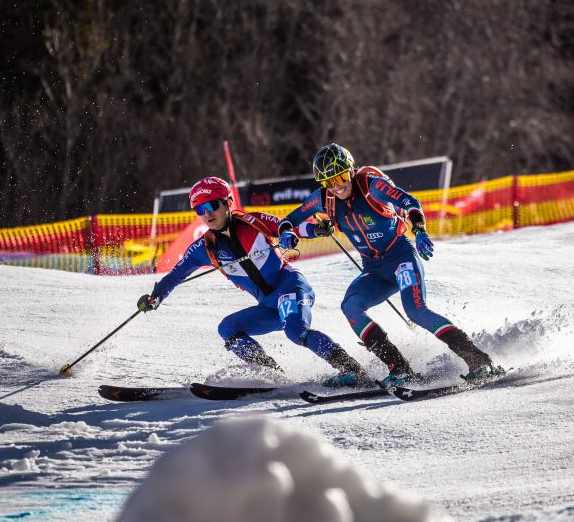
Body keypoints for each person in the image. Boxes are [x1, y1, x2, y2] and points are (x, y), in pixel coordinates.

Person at [278, 143, 500, 387]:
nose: (337, 186)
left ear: (351, 171)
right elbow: (290, 220)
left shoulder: (372, 186)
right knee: (351, 306)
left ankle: (479, 360)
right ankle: (399, 368)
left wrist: (420, 229)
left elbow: (410, 202)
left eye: (341, 176)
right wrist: (289, 232)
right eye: (329, 181)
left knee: (415, 310)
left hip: (401, 258)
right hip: (374, 269)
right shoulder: (324, 199)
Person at [136, 176, 370, 387]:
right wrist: (155, 297)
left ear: (228, 202)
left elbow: (285, 226)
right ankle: (271, 376)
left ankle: (352, 370)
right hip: (268, 305)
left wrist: (314, 229)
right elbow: (175, 275)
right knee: (228, 328)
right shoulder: (204, 248)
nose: (207, 214)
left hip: (290, 286)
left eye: (212, 205)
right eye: (199, 209)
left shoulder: (252, 222)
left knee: (296, 331)